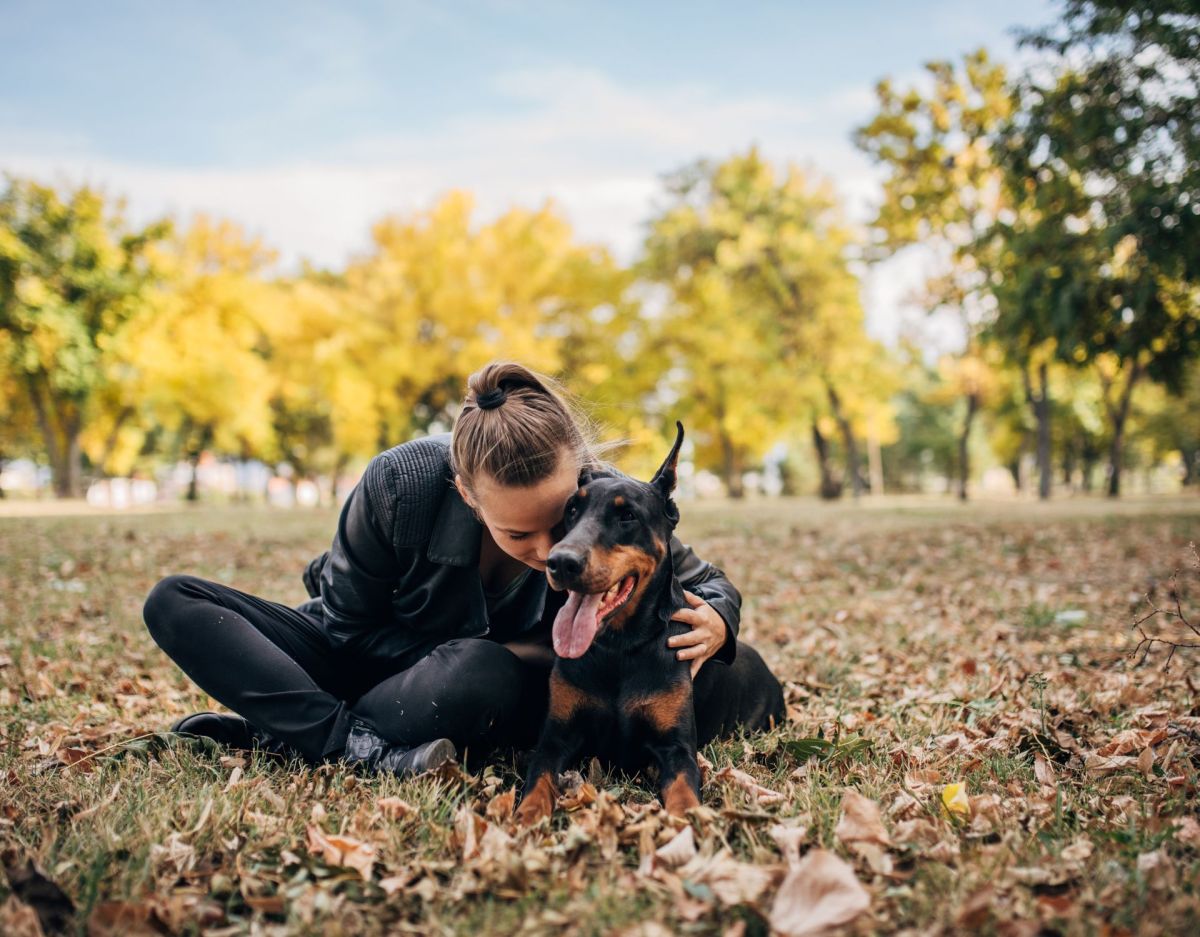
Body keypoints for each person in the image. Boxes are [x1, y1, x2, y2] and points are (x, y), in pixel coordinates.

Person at [143, 361, 785, 777]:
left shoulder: (599, 497)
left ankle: (283, 732)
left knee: (475, 673)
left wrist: (720, 622)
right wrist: (468, 650)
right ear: (467, 493)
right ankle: (351, 747)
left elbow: (704, 580)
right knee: (175, 600)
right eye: (515, 532)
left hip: (468, 689)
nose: (546, 553)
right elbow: (343, 634)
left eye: (557, 523)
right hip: (362, 661)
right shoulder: (399, 483)